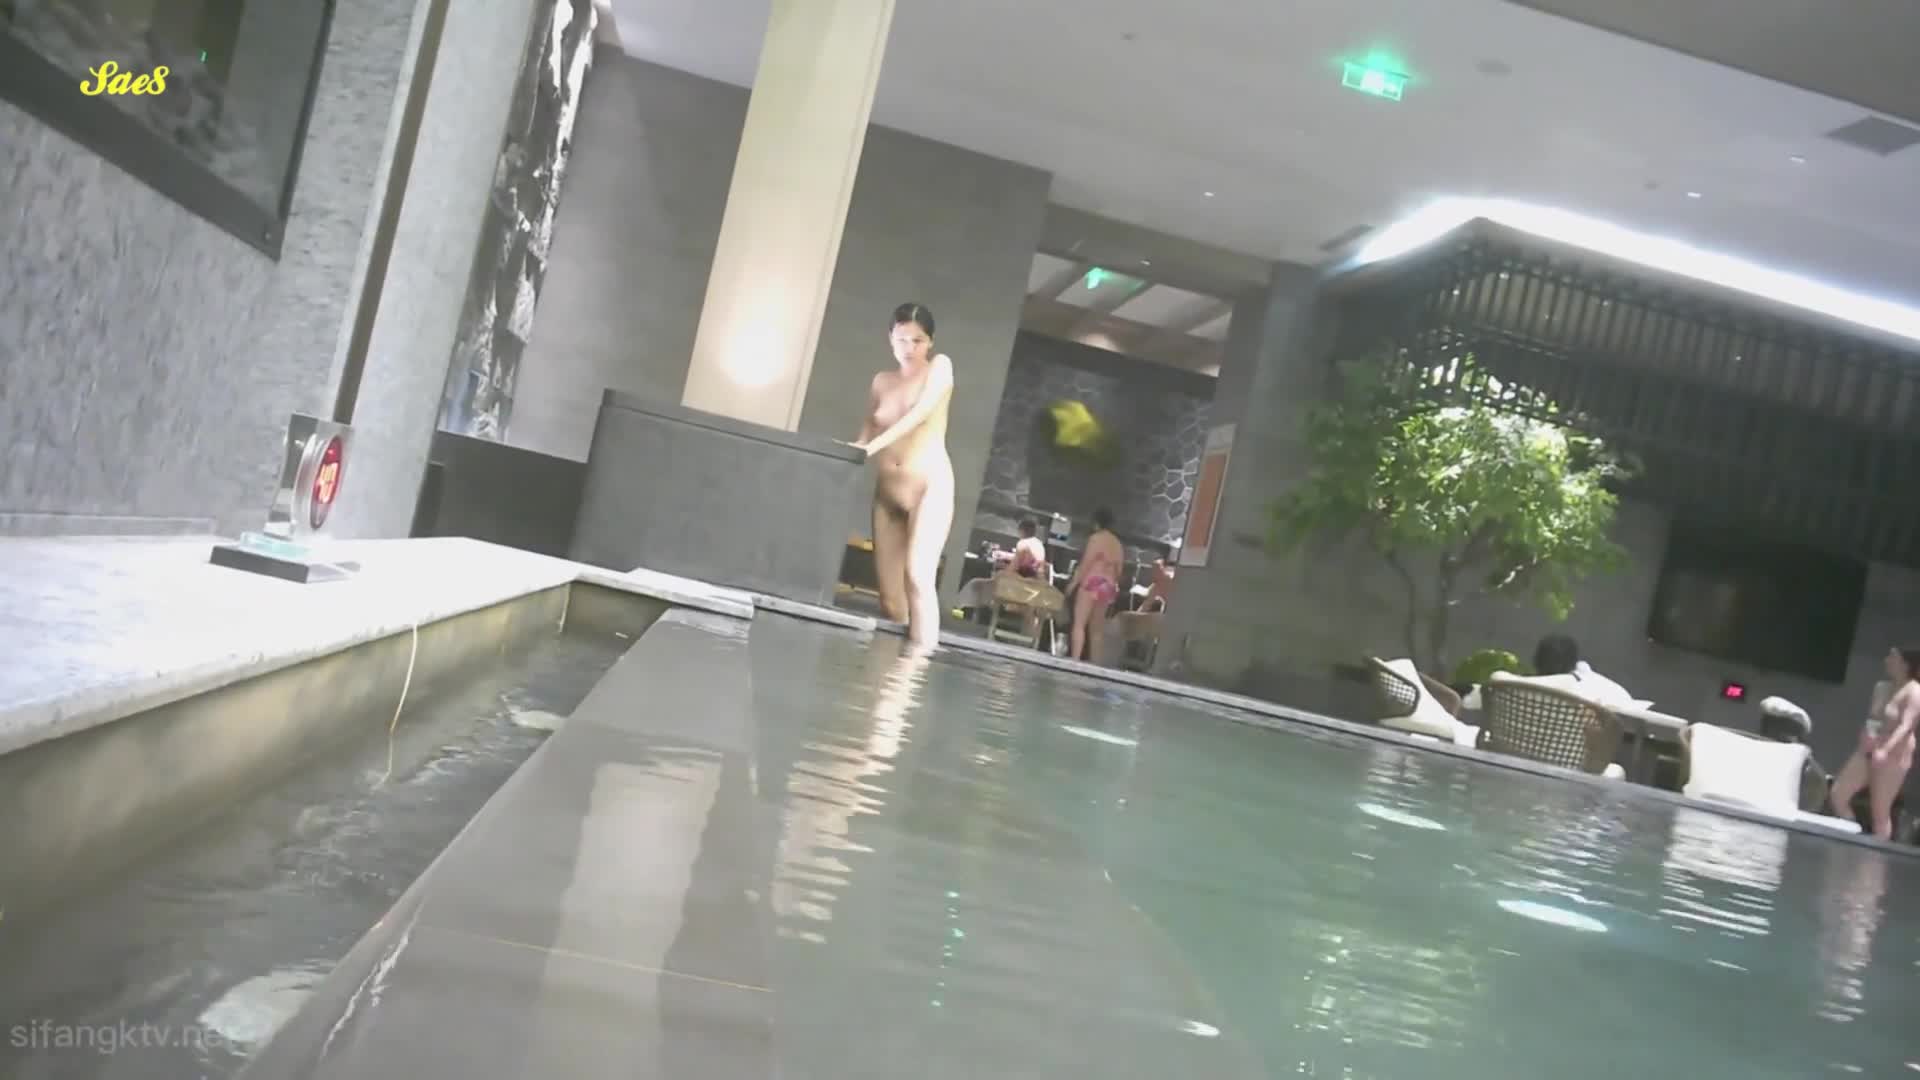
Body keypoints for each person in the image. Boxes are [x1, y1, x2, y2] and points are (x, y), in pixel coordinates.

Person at [853, 303, 955, 648]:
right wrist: (851, 450)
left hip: (928, 487)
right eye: (901, 340)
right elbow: (866, 431)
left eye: (918, 340)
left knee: (918, 577)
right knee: (890, 599)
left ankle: (919, 666)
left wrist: (872, 447)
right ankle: (893, 670)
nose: (909, 348)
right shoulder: (881, 381)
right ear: (890, 339)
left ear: (931, 342)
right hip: (887, 494)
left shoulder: (940, 367)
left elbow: (919, 413)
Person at [1828, 646, 1920, 840]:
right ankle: (1853, 836)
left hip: (1894, 755)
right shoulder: (1882, 687)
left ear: (1905, 664)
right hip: (1870, 748)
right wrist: (1866, 734)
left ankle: (1875, 853)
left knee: (1880, 811)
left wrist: (1885, 750)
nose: (1887, 660)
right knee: (1838, 794)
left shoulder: (1915, 691)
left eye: (1892, 657)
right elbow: (1874, 718)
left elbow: (1906, 726)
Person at [1064, 507, 1123, 662]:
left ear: (1096, 523)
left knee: (1079, 624)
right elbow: (1119, 570)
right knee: (1096, 630)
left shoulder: (1096, 538)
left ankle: (1075, 660)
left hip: (1092, 581)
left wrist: (1073, 583)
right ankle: (1095, 665)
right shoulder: (1117, 544)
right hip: (1108, 585)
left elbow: (1086, 563)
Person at [1142, 542, 1176, 612]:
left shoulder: (1170, 581)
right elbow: (1146, 606)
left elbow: (1145, 606)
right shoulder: (1155, 587)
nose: (1152, 574)